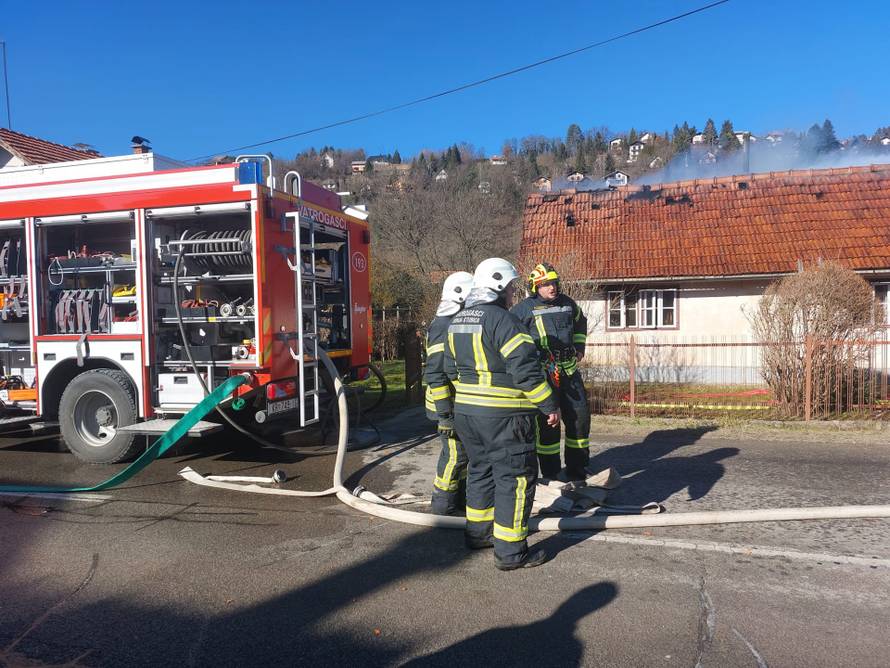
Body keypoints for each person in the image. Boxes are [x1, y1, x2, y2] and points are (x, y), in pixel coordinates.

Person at [444, 258, 560, 570]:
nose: (513, 294)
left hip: (467, 415)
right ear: (497, 287)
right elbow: (526, 371)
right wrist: (548, 405)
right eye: (510, 288)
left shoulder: (458, 320)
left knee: (481, 470)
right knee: (515, 478)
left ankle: (479, 534)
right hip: (504, 418)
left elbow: (449, 368)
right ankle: (511, 553)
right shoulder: (504, 321)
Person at [511, 263, 591, 481]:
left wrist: (580, 348)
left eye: (553, 283)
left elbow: (581, 322)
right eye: (545, 284)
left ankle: (578, 470)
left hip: (570, 373)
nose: (551, 288)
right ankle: (551, 474)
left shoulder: (568, 304)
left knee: (580, 420)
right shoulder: (522, 310)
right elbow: (508, 338)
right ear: (535, 287)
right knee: (548, 427)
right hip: (543, 374)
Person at [424, 271, 474, 515]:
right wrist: (445, 415)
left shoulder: (454, 321)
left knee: (462, 453)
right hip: (446, 405)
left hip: (456, 403)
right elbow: (434, 373)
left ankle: (460, 500)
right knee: (454, 454)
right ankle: (442, 505)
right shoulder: (443, 326)